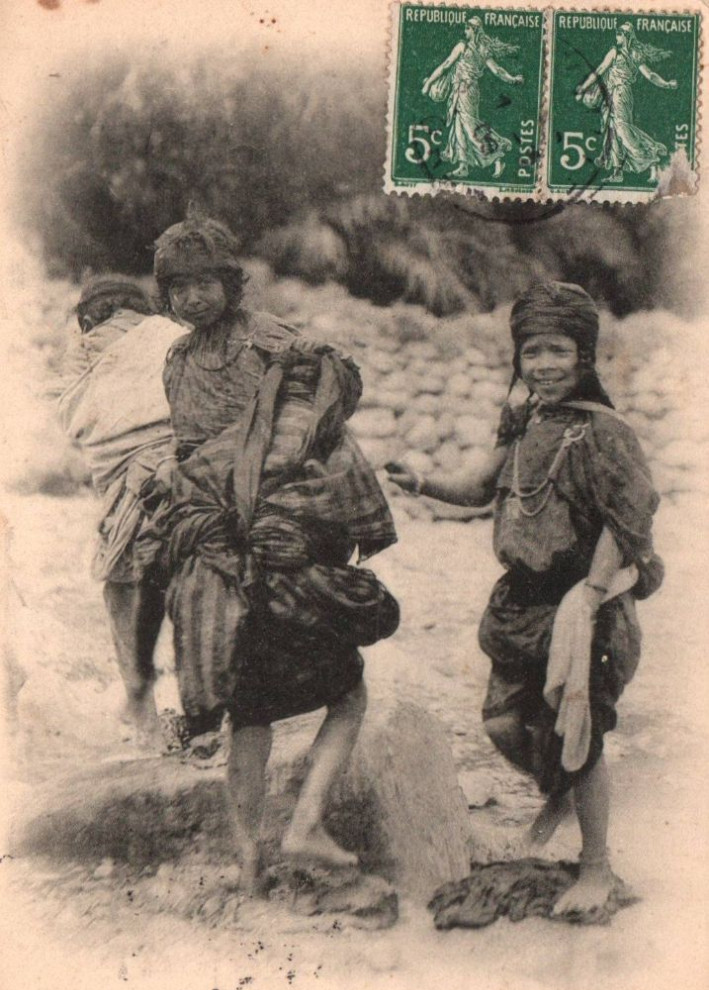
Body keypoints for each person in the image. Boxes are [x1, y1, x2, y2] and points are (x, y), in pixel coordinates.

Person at [388, 281, 663, 918]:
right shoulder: (524, 419)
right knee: (504, 724)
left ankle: (596, 868)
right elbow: (483, 487)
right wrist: (424, 481)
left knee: (580, 736)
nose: (543, 365)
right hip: (517, 603)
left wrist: (591, 597)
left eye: (558, 351)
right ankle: (558, 791)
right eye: (532, 352)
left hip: (580, 606)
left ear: (584, 356)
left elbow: (630, 521)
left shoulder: (604, 433)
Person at [148, 210, 399, 892]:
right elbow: (189, 447)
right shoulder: (176, 360)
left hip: (272, 531)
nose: (195, 297)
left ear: (232, 283)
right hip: (230, 547)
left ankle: (266, 848)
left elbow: (320, 400)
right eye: (180, 287)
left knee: (265, 708)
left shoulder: (267, 339)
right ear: (165, 295)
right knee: (321, 696)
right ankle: (276, 841)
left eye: (207, 282)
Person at [56, 276, 184, 746]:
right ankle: (198, 704)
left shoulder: (84, 350)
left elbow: (71, 414)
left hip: (124, 480)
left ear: (89, 318)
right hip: (178, 468)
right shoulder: (168, 333)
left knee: (124, 583)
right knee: (186, 579)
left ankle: (141, 703)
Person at [422, 16, 524, 179]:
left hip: (466, 92)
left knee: (470, 126)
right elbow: (497, 70)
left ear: (473, 30)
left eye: (467, 28)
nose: (465, 31)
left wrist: (428, 84)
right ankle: (463, 166)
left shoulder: (463, 47)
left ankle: (497, 156)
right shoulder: (483, 49)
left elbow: (446, 65)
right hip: (466, 90)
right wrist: (512, 79)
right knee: (459, 126)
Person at [575, 22, 677, 183]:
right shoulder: (614, 51)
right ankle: (617, 172)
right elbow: (600, 70)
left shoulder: (634, 54)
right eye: (617, 33)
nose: (617, 36)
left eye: (620, 33)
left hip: (622, 94)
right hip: (611, 93)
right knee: (613, 129)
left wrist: (666, 84)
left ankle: (650, 151)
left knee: (622, 129)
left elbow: (649, 74)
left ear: (627, 36)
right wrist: (584, 87)